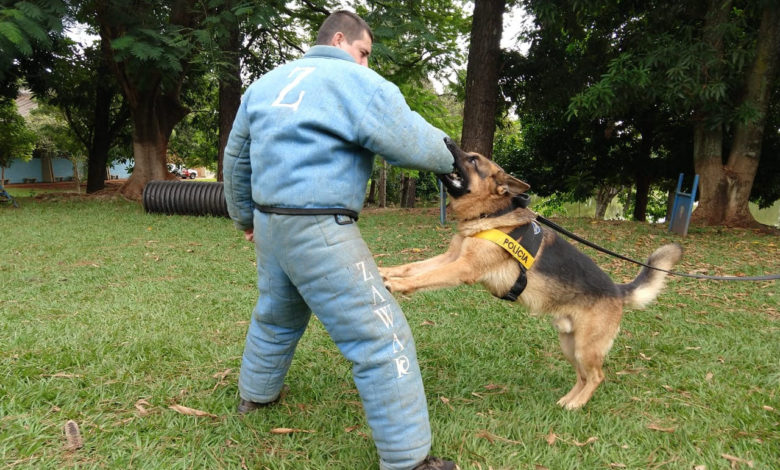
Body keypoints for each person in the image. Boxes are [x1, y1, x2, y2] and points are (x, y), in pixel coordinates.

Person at [223, 10, 458, 470]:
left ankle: (255, 397)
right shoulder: (357, 83)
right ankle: (409, 460)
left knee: (275, 317)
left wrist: (245, 219)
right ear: (339, 39)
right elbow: (411, 140)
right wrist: (455, 156)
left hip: (271, 227)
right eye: (364, 52)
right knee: (380, 337)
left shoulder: (264, 85)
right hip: (320, 227)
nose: (365, 63)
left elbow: (236, 160)